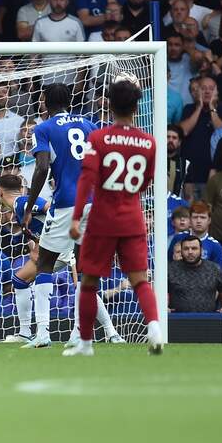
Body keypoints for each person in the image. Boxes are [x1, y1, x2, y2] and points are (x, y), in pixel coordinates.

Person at [65, 78, 164, 356]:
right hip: (133, 218)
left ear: (109, 104)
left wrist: (75, 218)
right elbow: (146, 181)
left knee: (89, 281)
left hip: (102, 220)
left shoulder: (98, 138)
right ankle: (154, 327)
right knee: (140, 280)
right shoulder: (148, 142)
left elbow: (87, 178)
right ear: (136, 107)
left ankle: (85, 343)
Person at [0, 174, 122, 345]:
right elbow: (36, 229)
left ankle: (109, 332)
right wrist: (36, 245)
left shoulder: (22, 202)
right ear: (20, 188)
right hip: (56, 247)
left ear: (0, 193)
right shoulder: (19, 208)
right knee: (20, 280)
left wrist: (54, 238)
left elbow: (49, 208)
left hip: (65, 243)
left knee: (82, 287)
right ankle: (25, 333)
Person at [21, 83, 97, 348]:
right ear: (69, 100)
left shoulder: (43, 128)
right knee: (86, 266)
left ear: (44, 101)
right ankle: (79, 332)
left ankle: (42, 333)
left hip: (67, 202)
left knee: (44, 263)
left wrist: (30, 206)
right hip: (94, 200)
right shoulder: (89, 124)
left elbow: (41, 167)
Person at [169, 235, 222, 313]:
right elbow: (162, 292)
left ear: (201, 250)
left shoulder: (214, 269)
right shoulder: (170, 269)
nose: (190, 252)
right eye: (186, 249)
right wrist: (163, 307)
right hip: (177, 319)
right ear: (181, 251)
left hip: (208, 320)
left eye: (194, 248)